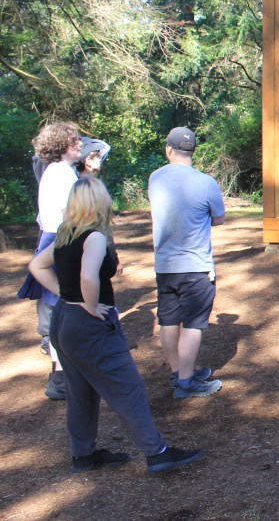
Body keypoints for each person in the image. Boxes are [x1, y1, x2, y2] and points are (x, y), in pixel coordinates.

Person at [28, 176, 203, 474]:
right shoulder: (94, 236)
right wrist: (89, 305)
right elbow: (87, 277)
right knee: (129, 388)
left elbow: (37, 265)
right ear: (100, 202)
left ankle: (84, 455)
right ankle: (158, 453)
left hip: (63, 321)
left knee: (80, 392)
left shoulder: (66, 233)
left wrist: (66, 295)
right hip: (88, 326)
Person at [148, 127, 225, 399]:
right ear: (193, 151)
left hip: (165, 265)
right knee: (193, 324)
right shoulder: (206, 183)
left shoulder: (155, 178)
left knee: (168, 320)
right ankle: (186, 381)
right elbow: (219, 218)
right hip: (196, 265)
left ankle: (178, 372)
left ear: (169, 149)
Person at [31, 121, 82, 399]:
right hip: (61, 241)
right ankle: (62, 378)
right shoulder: (61, 173)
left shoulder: (57, 171)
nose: (79, 144)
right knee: (64, 307)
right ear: (63, 146)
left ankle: (62, 375)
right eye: (75, 141)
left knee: (59, 308)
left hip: (56, 240)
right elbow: (68, 214)